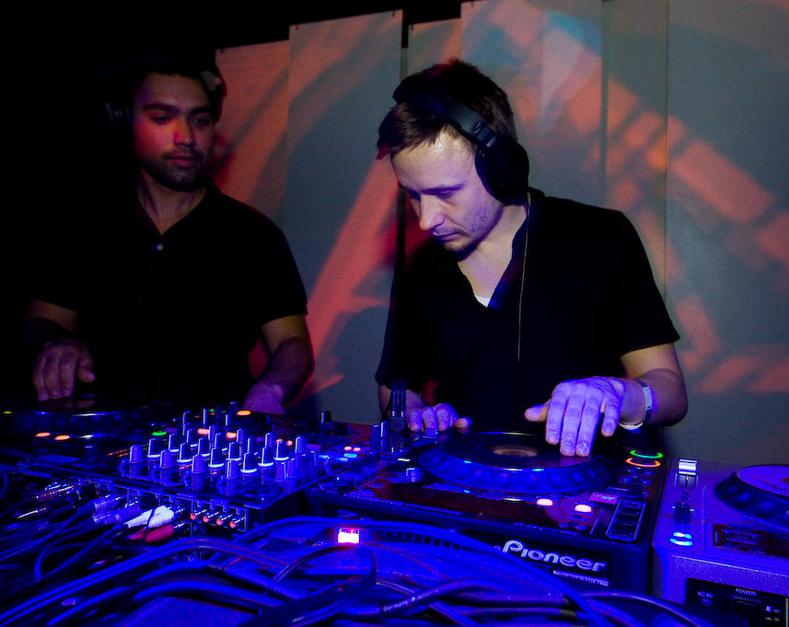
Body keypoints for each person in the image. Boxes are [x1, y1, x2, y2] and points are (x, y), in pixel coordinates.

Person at [375, 59, 687, 456]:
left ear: (501, 170)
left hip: (579, 486)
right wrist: (415, 414)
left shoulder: (601, 237)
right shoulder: (423, 267)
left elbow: (671, 391)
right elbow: (394, 386)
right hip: (461, 483)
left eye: (446, 193)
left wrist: (617, 393)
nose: (426, 220)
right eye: (414, 196)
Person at [25, 53, 313, 414]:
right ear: (124, 121)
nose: (187, 137)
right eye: (162, 118)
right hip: (100, 431)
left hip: (209, 437)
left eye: (200, 120)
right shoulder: (85, 224)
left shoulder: (253, 234)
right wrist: (55, 342)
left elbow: (292, 345)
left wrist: (269, 390)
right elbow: (42, 318)